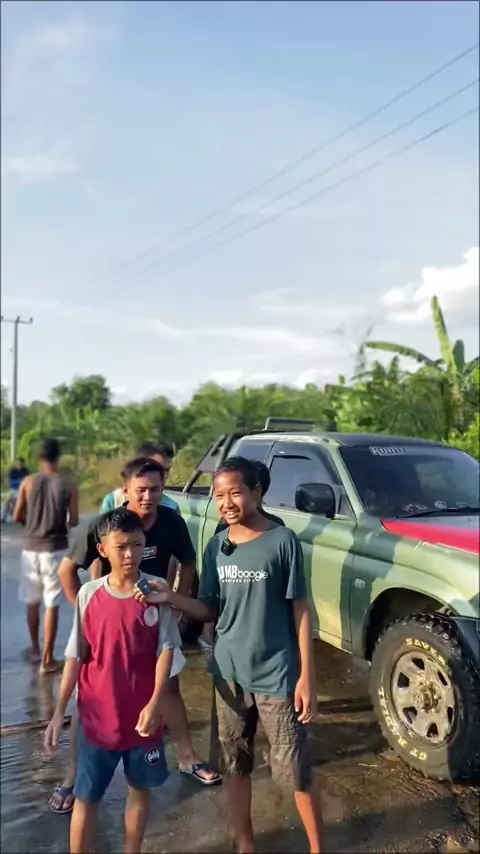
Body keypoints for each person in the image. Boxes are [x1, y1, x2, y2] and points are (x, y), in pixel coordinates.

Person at [135, 456, 324, 854]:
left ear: (256, 492)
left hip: (277, 675)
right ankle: (245, 844)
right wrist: (171, 597)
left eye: (235, 493)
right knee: (235, 766)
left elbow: (301, 610)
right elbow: (209, 609)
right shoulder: (216, 547)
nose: (226, 503)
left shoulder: (283, 541)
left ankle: (317, 847)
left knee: (295, 773)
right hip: (228, 675)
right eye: (219, 496)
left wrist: (306, 676)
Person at [50, 456, 220, 815]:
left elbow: (188, 562)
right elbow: (67, 571)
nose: (148, 496)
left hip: (153, 620)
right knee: (89, 698)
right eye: (140, 490)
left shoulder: (171, 522)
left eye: (155, 489)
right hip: (109, 623)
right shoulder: (105, 526)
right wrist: (90, 614)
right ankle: (72, 777)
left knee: (169, 687)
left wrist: (176, 604)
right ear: (125, 490)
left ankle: (187, 757)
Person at [44, 508, 182, 854]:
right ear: (102, 550)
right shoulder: (89, 595)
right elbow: (75, 656)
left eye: (136, 545)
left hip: (143, 720)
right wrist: (59, 712)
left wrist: (155, 703)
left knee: (139, 791)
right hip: (97, 721)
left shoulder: (155, 590)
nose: (129, 554)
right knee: (86, 797)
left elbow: (166, 651)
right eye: (120, 547)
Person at [13, 438, 78, 672]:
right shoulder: (68, 485)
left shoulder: (28, 482)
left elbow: (17, 516)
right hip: (55, 548)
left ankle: (35, 650)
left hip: (30, 549)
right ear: (58, 457)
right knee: (52, 603)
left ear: (39, 458)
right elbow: (74, 520)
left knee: (32, 601)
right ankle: (48, 660)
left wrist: (32, 524)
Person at [100, 441, 179, 514]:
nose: (165, 475)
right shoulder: (114, 501)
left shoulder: (172, 507)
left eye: (167, 470)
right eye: (156, 468)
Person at [214, 460, 284, 535]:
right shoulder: (277, 524)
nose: (228, 504)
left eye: (236, 493)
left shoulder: (229, 519)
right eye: (220, 495)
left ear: (257, 490)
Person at [2, 457, 30, 523]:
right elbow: (10, 483)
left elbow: (27, 482)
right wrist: (20, 481)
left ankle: (26, 518)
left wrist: (19, 482)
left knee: (27, 502)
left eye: (20, 464)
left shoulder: (26, 472)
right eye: (17, 463)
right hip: (13, 490)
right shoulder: (12, 471)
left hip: (23, 491)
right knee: (7, 501)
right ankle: (3, 517)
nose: (19, 465)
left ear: (23, 464)